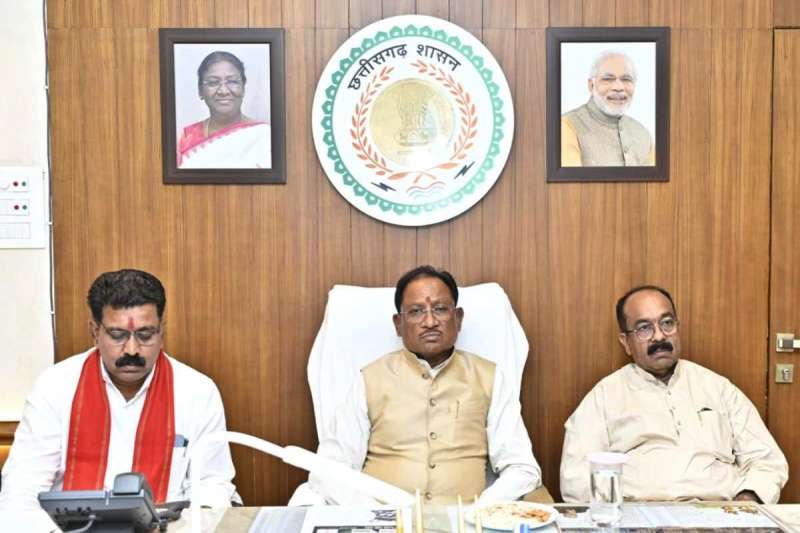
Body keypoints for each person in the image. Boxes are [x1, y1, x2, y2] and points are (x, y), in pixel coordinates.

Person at [0, 269, 239, 510]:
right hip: (69, 526)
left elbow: (211, 484)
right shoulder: (55, 387)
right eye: (118, 335)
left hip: (170, 525)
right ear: (95, 332)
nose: (132, 350)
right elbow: (23, 484)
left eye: (145, 335)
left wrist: (194, 520)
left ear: (161, 332)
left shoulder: (197, 392)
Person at [309, 265, 542, 504]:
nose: (430, 322)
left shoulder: (490, 377)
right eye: (416, 311)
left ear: (458, 318)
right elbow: (328, 470)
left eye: (440, 309)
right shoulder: (368, 379)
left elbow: (522, 468)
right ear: (398, 324)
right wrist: (373, 513)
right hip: (383, 518)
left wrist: (481, 511)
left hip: (466, 519)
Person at [560, 285, 788, 503]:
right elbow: (576, 480)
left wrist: (746, 501)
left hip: (722, 513)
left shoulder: (718, 388)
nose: (659, 336)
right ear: (626, 342)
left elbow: (767, 460)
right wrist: (623, 511)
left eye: (667, 323)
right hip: (637, 515)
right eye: (644, 328)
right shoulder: (604, 396)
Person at [177, 50, 271, 169]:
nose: (223, 91)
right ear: (200, 91)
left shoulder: (264, 136)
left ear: (243, 88)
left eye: (232, 82)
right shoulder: (186, 138)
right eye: (213, 83)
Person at [561, 50, 654, 167]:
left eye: (626, 79)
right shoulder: (567, 126)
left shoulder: (642, 134)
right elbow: (569, 178)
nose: (618, 87)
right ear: (591, 85)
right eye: (608, 79)